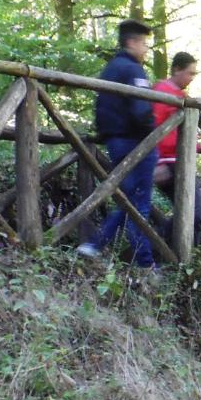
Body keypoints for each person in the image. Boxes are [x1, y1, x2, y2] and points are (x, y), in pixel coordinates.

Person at [78, 19, 159, 270]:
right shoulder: (133, 70)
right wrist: (154, 133)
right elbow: (141, 110)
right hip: (136, 143)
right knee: (139, 203)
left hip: (115, 142)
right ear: (132, 42)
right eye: (144, 44)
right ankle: (145, 265)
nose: (146, 49)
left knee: (129, 200)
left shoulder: (111, 68)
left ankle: (95, 244)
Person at [151, 51, 201, 247]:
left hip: (182, 162)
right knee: (193, 215)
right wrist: (156, 161)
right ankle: (159, 251)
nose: (192, 78)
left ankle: (184, 261)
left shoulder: (181, 96)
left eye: (194, 74)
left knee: (191, 215)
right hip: (168, 163)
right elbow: (153, 128)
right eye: (190, 73)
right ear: (176, 69)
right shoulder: (162, 92)